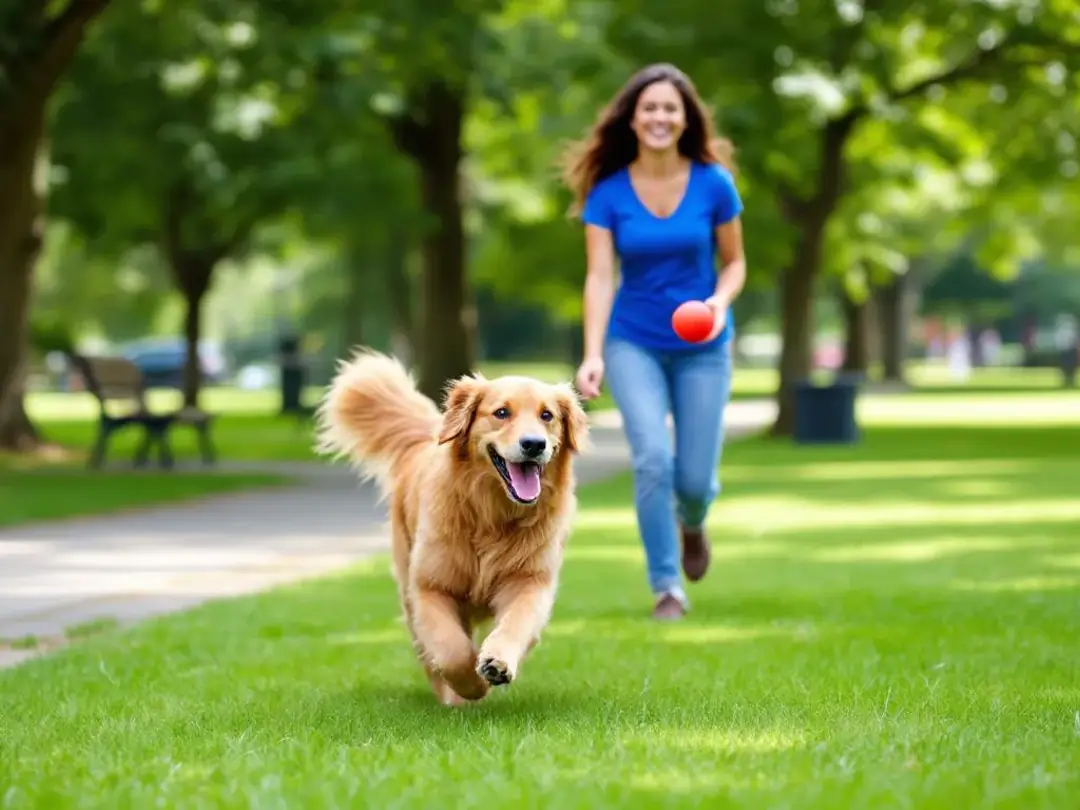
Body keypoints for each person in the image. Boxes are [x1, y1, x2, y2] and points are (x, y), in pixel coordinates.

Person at [559, 63, 747, 621]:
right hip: (633, 340)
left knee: (693, 480)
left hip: (704, 346)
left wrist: (717, 302)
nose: (660, 116)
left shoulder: (714, 183)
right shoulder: (608, 193)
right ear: (633, 119)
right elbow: (599, 276)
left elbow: (735, 263)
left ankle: (694, 522)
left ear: (686, 118)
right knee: (652, 461)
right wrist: (592, 353)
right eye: (650, 108)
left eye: (671, 107)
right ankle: (667, 586)